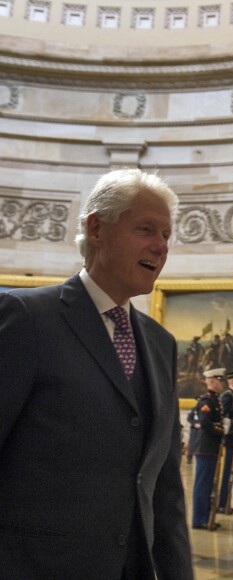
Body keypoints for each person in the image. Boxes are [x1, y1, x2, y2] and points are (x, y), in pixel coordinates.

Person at [0, 169, 193, 579]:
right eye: (146, 229)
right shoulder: (28, 319)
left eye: (166, 235)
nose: (160, 247)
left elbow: (165, 487)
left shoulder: (161, 344)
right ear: (97, 229)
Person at [191, 368, 225, 530]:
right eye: (219, 380)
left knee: (208, 484)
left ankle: (205, 516)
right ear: (211, 381)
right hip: (205, 447)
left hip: (211, 447)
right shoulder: (206, 401)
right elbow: (205, 423)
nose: (222, 383)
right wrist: (221, 429)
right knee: (202, 485)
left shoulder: (215, 400)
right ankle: (199, 519)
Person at [217, 369, 233, 514]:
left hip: (232, 439)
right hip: (227, 441)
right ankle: (221, 503)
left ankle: (225, 502)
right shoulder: (228, 396)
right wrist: (228, 426)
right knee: (224, 473)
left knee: (229, 472)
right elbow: (223, 416)